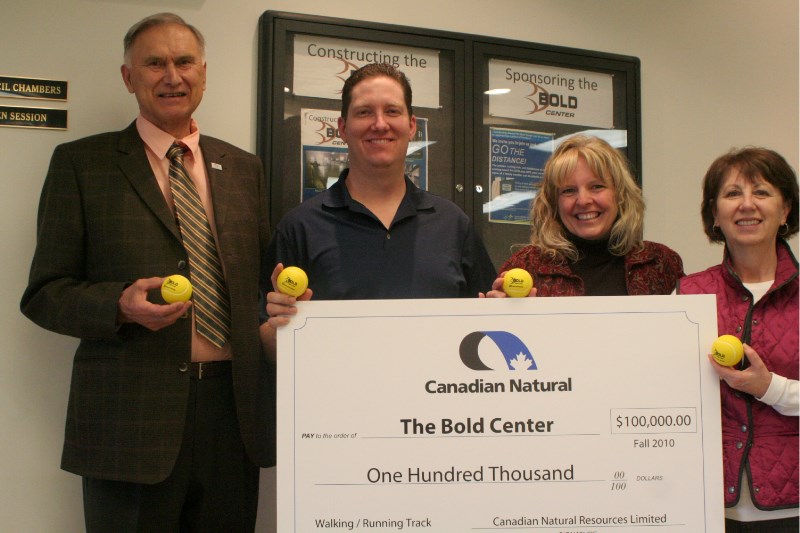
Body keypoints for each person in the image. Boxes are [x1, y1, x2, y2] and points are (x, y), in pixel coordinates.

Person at [20, 13, 273, 532]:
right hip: (128, 424)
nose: (171, 76)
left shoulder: (244, 168)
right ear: (128, 77)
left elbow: (259, 282)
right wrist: (118, 305)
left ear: (203, 71)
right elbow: (45, 293)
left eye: (183, 62)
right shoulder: (80, 164)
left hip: (233, 415)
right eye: (154, 63)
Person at [263, 63, 496, 332]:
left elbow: (488, 327)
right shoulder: (299, 227)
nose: (380, 124)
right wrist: (278, 326)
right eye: (364, 112)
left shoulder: (454, 225)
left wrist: (516, 310)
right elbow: (267, 343)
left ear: (411, 126)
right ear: (342, 128)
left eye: (392, 111)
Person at [677, 147, 798, 533]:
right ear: (714, 214)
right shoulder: (687, 296)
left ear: (785, 210)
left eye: (761, 192)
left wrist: (770, 388)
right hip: (706, 507)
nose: (747, 205)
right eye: (732, 194)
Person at [485, 134, 684, 297]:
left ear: (620, 194)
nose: (583, 200)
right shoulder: (525, 266)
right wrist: (499, 317)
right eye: (569, 191)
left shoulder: (660, 263)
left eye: (597, 187)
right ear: (554, 203)